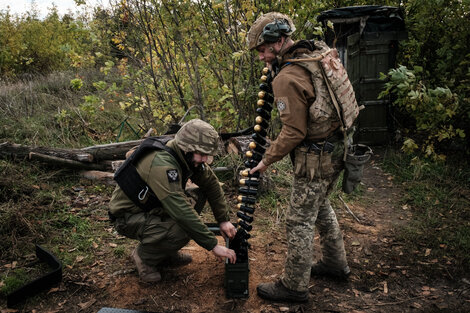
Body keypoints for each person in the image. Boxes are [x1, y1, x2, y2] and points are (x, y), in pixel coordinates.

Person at [247, 12, 352, 302]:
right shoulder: (313, 54)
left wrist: (266, 159)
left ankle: (293, 286)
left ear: (280, 42)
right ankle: (335, 262)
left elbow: (293, 132)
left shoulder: (287, 77)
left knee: (298, 221)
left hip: (316, 159)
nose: (260, 58)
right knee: (320, 207)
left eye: (263, 50)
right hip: (337, 149)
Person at [108, 119, 237, 283]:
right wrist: (213, 245)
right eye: (202, 154)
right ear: (187, 148)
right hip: (128, 216)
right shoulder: (162, 163)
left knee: (198, 196)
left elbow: (211, 184)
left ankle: (164, 252)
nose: (205, 159)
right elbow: (181, 212)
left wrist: (223, 220)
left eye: (207, 155)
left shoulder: (185, 156)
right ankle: (145, 258)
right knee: (183, 229)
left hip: (151, 207)